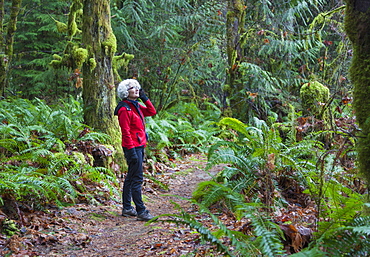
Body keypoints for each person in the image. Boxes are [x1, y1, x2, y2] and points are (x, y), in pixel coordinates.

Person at [114, 79, 157, 221]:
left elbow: (151, 111)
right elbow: (125, 132)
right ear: (126, 92)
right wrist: (131, 151)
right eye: (133, 88)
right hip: (132, 147)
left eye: (137, 87)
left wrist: (145, 98)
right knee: (137, 178)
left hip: (139, 145)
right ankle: (141, 211)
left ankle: (127, 208)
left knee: (131, 177)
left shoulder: (135, 105)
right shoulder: (124, 109)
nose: (137, 89)